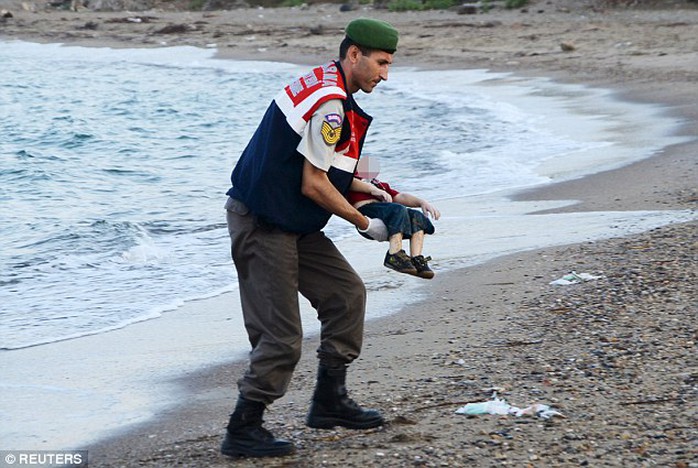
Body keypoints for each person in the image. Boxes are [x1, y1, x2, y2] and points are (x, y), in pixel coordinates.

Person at [221, 18, 399, 458]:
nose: (385, 74)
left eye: (390, 65)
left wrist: (375, 189)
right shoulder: (332, 105)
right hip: (262, 223)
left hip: (294, 222)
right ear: (354, 54)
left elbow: (331, 167)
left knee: (346, 294)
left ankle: (328, 401)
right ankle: (244, 427)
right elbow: (314, 184)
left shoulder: (328, 85)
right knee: (280, 337)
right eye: (380, 62)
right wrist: (363, 223)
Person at [347, 173, 440, 279]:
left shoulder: (378, 183)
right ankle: (394, 255)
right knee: (398, 209)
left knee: (416, 215)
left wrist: (422, 202)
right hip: (366, 211)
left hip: (386, 212)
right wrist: (372, 189)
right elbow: (350, 182)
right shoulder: (351, 178)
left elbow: (400, 196)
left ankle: (416, 259)